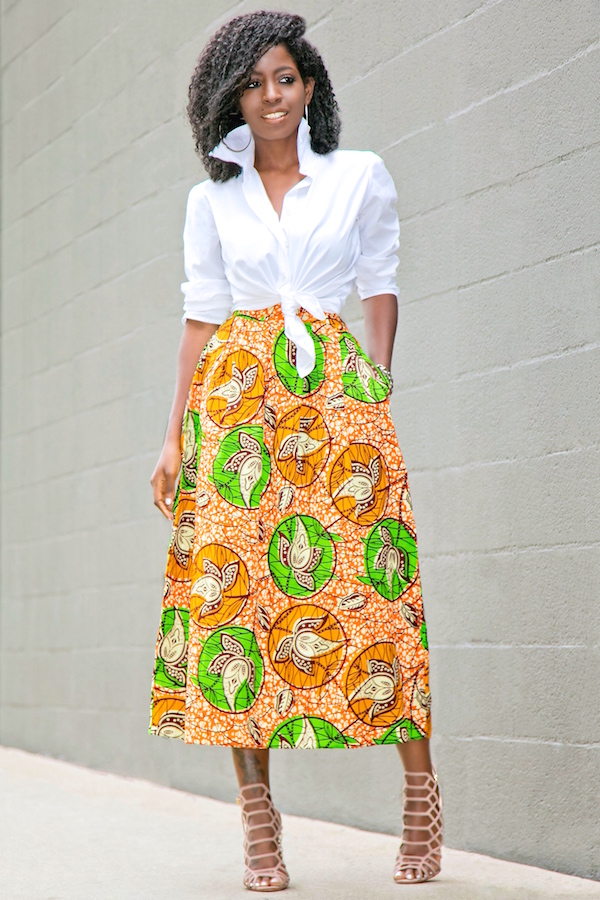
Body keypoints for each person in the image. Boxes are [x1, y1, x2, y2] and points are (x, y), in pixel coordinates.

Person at [149, 10, 442, 891]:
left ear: (309, 86)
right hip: (238, 402)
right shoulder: (213, 199)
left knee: (375, 590)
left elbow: (380, 283)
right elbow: (201, 319)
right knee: (236, 602)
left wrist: (378, 387)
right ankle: (260, 829)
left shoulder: (359, 176)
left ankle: (423, 803)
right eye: (254, 83)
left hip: (335, 394)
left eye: (284, 79)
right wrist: (173, 437)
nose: (271, 96)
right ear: (231, 98)